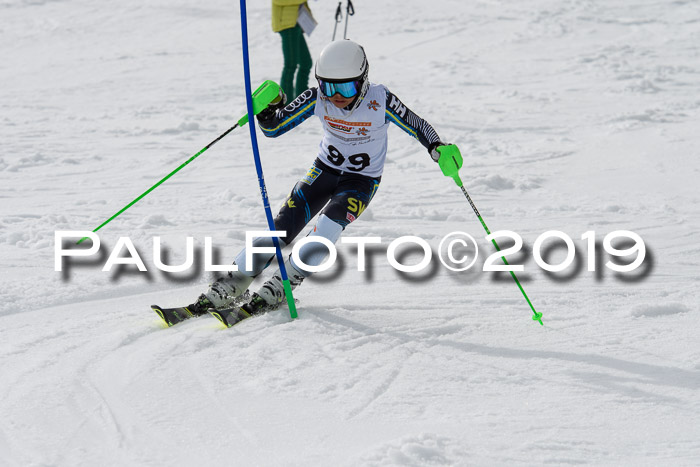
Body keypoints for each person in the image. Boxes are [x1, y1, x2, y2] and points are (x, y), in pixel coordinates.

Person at [191, 40, 462, 316]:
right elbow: (275, 128)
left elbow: (417, 124)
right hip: (324, 171)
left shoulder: (380, 100)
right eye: (328, 86)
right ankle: (234, 281)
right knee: (282, 227)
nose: (336, 96)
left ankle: (285, 282)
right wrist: (266, 110)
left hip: (361, 181)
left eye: (345, 87)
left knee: (330, 223)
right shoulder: (317, 97)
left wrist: (436, 147)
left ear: (363, 81)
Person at [272, 0, 314, 99]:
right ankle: (286, 103)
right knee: (290, 65)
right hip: (287, 25)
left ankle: (302, 98)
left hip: (297, 22)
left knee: (306, 62)